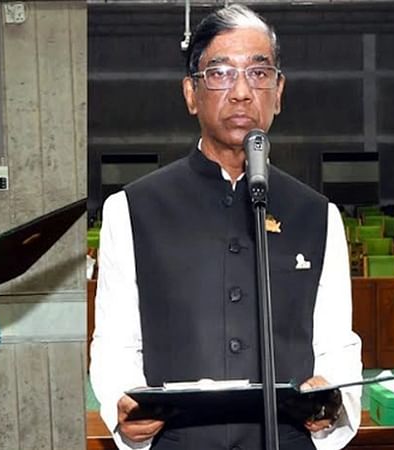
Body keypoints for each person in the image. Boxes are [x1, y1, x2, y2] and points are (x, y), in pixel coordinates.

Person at [89, 5, 362, 450]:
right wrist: (122, 406)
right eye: (219, 73)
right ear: (191, 94)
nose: (240, 92)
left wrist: (332, 396)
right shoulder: (133, 208)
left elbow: (336, 341)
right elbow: (117, 339)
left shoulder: (318, 213)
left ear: (278, 92)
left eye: (258, 73)